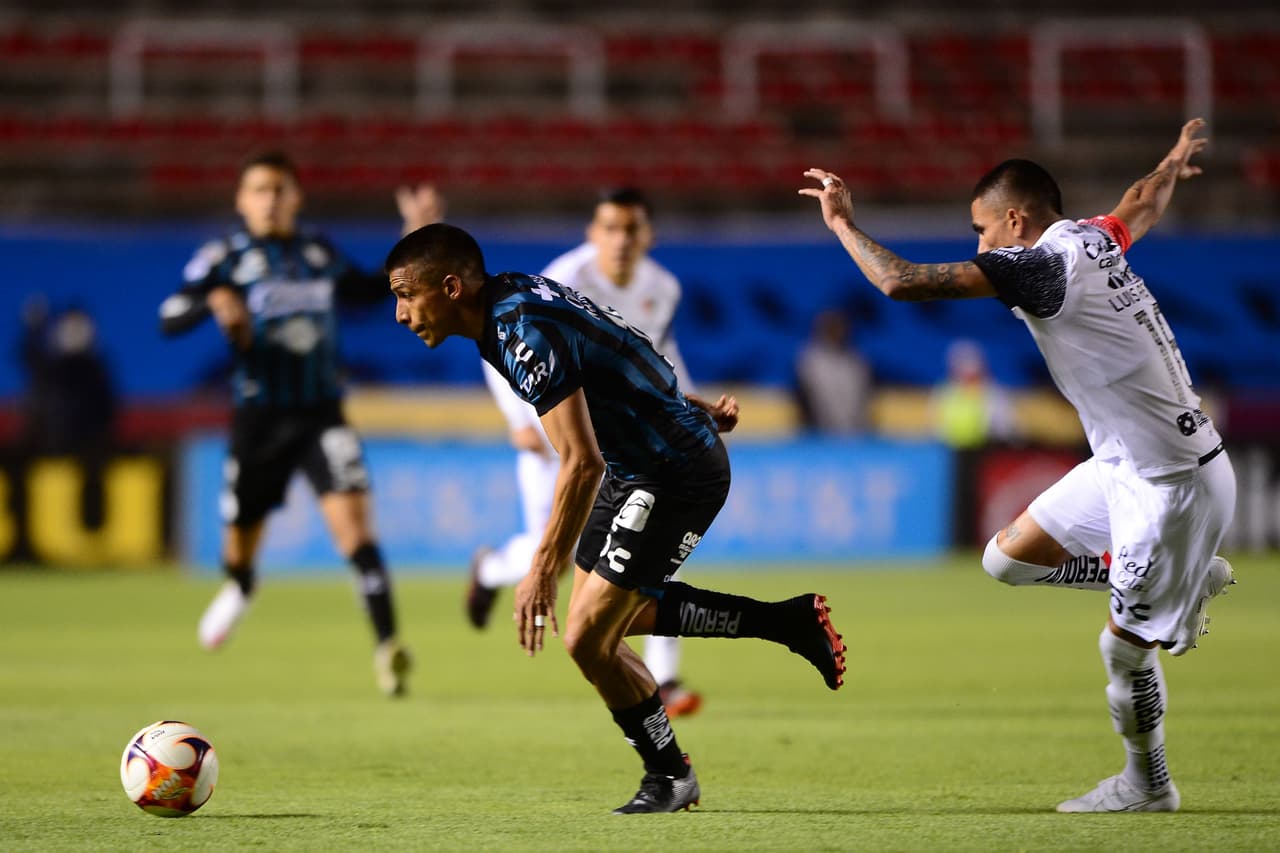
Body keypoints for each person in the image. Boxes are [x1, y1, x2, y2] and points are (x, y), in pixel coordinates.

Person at [801, 118, 1236, 813]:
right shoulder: (1094, 236)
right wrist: (1171, 160)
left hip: (1171, 486)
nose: (978, 245)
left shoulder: (1037, 264)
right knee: (1006, 559)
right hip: (1127, 464)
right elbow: (1143, 200)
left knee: (1123, 653)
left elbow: (902, 282)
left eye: (980, 230)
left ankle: (1148, 784)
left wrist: (842, 225)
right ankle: (1181, 582)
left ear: (1014, 219)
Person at [384, 223, 846, 814]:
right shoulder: (514, 298)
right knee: (605, 628)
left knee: (585, 638)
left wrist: (540, 567)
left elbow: (579, 463)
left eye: (405, 294)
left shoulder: (521, 332)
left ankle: (670, 776)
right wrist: (686, 401)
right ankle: (787, 623)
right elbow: (619, 344)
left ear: (450, 288)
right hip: (637, 466)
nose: (399, 313)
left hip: (674, 471)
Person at [158, 151, 442, 697]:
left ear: (296, 197)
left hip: (320, 414)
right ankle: (242, 585)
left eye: (279, 189)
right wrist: (213, 299)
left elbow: (366, 290)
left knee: (356, 532)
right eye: (259, 190)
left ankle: (389, 648)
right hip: (259, 418)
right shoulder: (224, 258)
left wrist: (414, 237)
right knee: (239, 545)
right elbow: (167, 317)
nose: (270, 200)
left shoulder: (317, 252)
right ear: (242, 201)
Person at [471, 187, 703, 717]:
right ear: (592, 234)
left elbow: (658, 356)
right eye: (611, 228)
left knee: (647, 549)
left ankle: (664, 678)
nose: (622, 240)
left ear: (649, 235)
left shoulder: (663, 287)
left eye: (632, 229)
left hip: (622, 441)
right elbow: (500, 345)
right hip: (555, 430)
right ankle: (488, 570)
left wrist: (693, 412)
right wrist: (519, 420)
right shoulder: (565, 278)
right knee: (544, 556)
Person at [793, 308, 872, 434]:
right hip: (819, 433)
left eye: (839, 328)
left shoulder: (856, 360)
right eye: (831, 327)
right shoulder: (809, 360)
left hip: (856, 432)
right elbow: (806, 400)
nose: (837, 332)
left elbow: (864, 398)